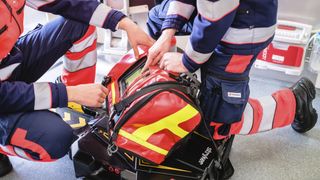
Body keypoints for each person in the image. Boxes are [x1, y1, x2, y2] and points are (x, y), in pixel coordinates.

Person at [144, 0, 317, 177]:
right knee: (158, 18)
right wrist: (167, 32)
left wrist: (186, 61)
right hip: (227, 15)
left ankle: (296, 101)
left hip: (242, 31)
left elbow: (216, 14)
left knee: (219, 121)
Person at [0, 0, 154, 176]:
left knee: (80, 24)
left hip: (8, 60)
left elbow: (69, 3)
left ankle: (74, 106)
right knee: (56, 139)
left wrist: (124, 23)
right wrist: (69, 93)